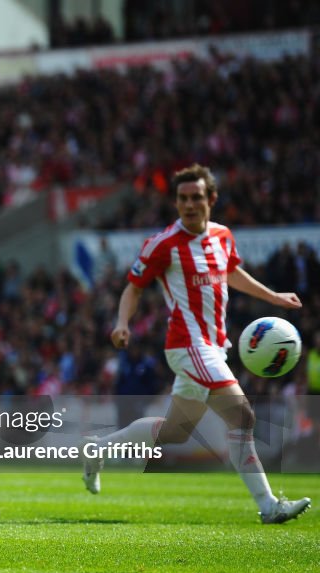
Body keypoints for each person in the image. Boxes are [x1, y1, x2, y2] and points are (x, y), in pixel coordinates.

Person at [83, 164, 311, 524]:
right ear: (176, 202)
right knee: (242, 415)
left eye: (197, 197)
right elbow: (134, 286)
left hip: (215, 346)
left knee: (175, 431)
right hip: (188, 344)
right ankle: (269, 506)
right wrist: (122, 323)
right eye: (183, 198)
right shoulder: (163, 245)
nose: (189, 205)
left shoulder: (222, 235)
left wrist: (274, 298)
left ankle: (99, 449)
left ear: (212, 199)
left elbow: (231, 271)